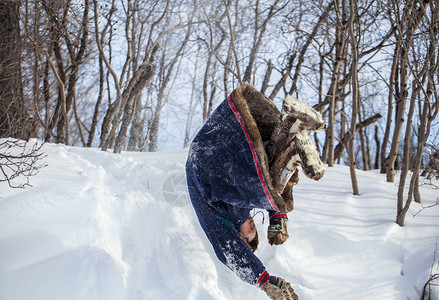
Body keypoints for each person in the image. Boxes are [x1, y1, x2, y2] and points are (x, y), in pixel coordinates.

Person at [186, 83, 325, 299]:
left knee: (267, 193)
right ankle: (291, 127)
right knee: (267, 176)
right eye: (255, 233)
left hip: (204, 164)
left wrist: (262, 279)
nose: (253, 227)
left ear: (240, 236)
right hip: (219, 149)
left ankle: (292, 155)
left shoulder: (222, 221)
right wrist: (277, 216)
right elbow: (267, 194)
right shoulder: (240, 198)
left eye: (250, 236)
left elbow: (229, 251)